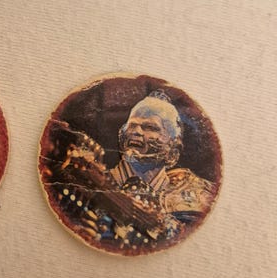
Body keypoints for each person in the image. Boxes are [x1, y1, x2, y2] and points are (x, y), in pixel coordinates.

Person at [59, 91, 215, 250]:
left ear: (173, 152)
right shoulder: (83, 183)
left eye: (150, 127)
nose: (136, 132)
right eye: (132, 125)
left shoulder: (196, 195)